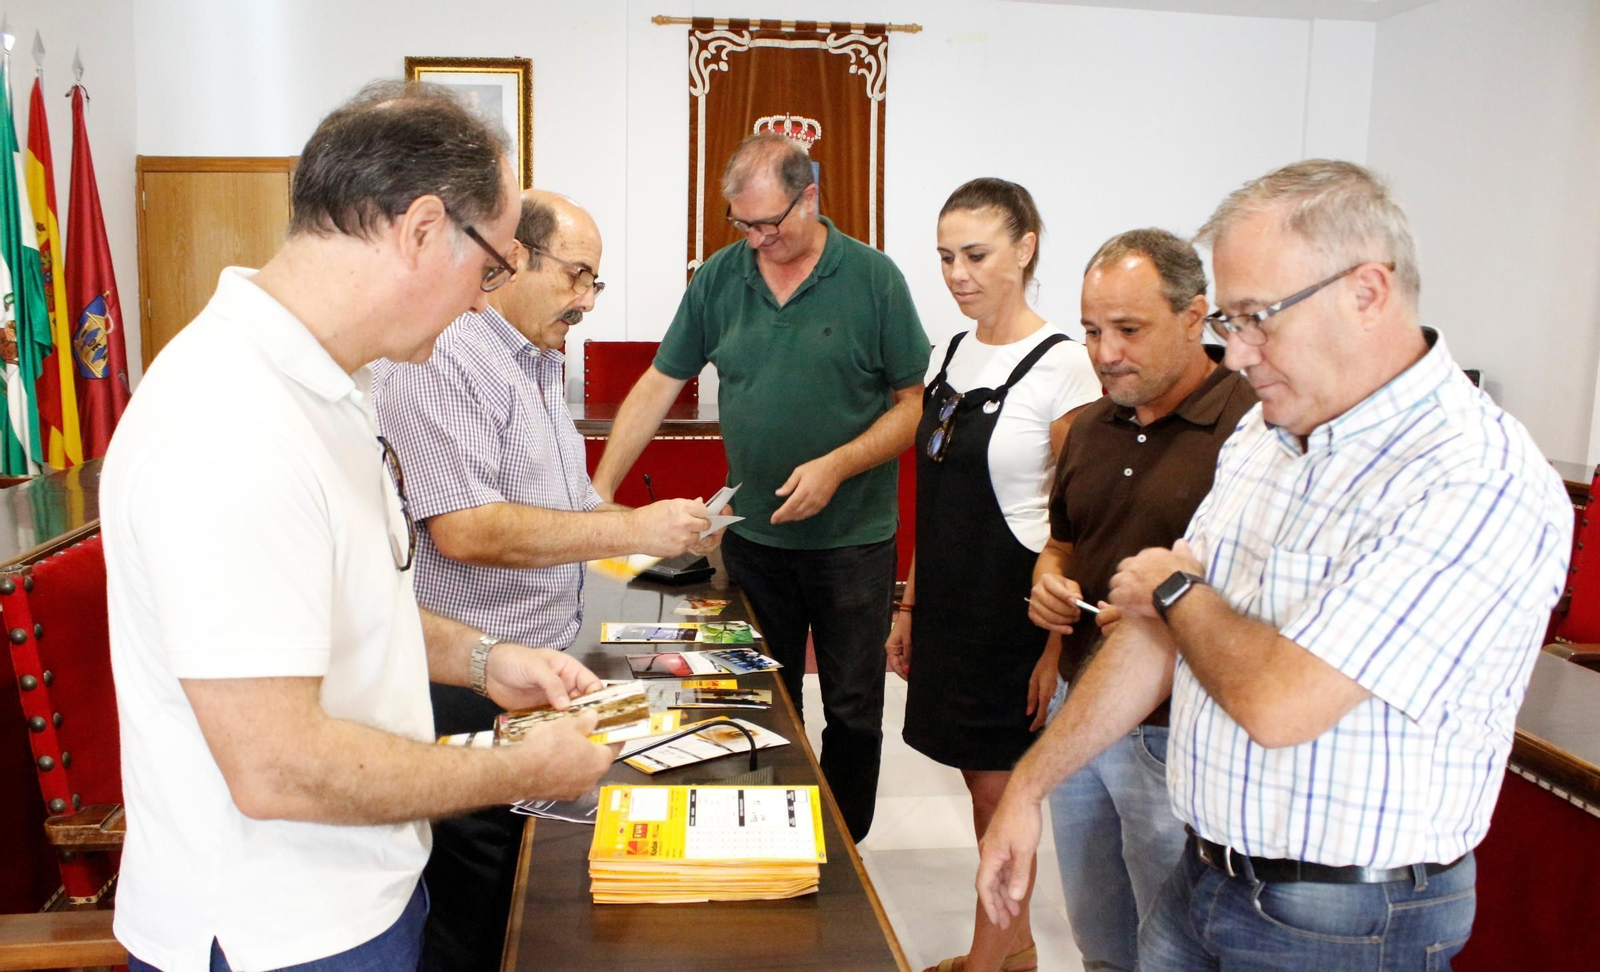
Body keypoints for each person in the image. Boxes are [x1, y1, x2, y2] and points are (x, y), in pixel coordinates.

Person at [976, 159, 1572, 972]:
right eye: (1231, 319)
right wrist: (1029, 786)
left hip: (1344, 915)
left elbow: (1280, 703)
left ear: (1367, 292)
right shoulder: (1268, 432)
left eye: (1258, 318)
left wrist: (1175, 588)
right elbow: (1153, 638)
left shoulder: (1470, 475)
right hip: (1207, 872)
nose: (1237, 351)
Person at [101, 82, 615, 972]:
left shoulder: (334, 386)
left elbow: (348, 608)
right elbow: (278, 767)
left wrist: (487, 660)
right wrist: (522, 770)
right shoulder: (230, 422)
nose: (483, 303)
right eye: (490, 268)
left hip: (358, 891)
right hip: (277, 934)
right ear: (421, 229)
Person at [371, 189, 717, 972]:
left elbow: (568, 504)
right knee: (475, 906)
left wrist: (654, 531)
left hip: (540, 662)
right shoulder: (447, 358)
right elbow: (467, 529)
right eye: (576, 276)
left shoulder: (534, 358)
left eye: (595, 282)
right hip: (466, 676)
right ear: (515, 258)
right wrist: (632, 531)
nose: (587, 301)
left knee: (531, 897)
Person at [592, 133, 930, 841]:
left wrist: (837, 465)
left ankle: (844, 845)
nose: (755, 240)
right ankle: (779, 834)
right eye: (742, 224)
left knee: (853, 708)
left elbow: (911, 407)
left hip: (853, 545)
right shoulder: (721, 277)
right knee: (762, 700)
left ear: (810, 197)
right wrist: (600, 491)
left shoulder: (874, 279)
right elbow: (659, 383)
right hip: (753, 543)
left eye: (768, 224)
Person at [1026, 228, 1256, 972]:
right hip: (1081, 707)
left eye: (1129, 329)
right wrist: (1048, 584)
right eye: (1092, 331)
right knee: (1099, 938)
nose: (1106, 352)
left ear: (1194, 316)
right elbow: (1063, 542)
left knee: (1173, 947)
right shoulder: (1091, 428)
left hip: (1176, 728)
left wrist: (1172, 602)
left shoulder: (1253, 428)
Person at [886, 178, 1099, 972]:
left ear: (1025, 249)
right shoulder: (948, 354)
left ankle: (990, 960)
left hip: (1014, 612)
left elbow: (1075, 522)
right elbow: (934, 495)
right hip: (950, 598)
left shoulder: (1066, 366)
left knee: (1000, 796)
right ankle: (1017, 950)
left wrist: (1055, 649)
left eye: (975, 255)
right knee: (978, 785)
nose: (957, 274)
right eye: (946, 257)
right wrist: (909, 605)